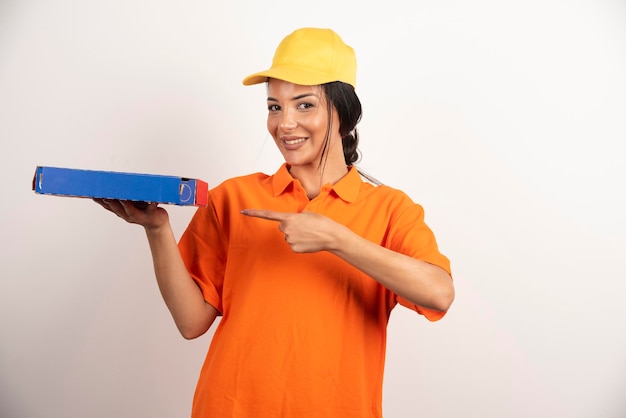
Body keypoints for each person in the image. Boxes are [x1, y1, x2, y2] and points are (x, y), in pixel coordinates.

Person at [95, 27, 454, 418]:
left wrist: (338, 239)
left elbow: (439, 293)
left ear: (343, 112)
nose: (284, 124)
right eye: (274, 106)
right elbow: (191, 321)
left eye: (304, 105)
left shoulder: (389, 209)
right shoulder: (234, 198)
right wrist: (157, 229)